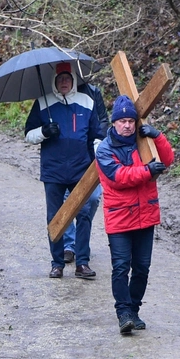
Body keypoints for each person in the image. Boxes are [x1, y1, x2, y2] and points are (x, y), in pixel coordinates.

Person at [95, 95, 174, 334]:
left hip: (145, 215)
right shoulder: (104, 150)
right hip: (119, 218)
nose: (127, 125)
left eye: (131, 121)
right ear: (114, 123)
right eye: (122, 121)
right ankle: (123, 314)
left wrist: (157, 136)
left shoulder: (143, 142)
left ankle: (134, 310)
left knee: (142, 268)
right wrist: (147, 170)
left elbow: (167, 160)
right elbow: (119, 177)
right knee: (121, 266)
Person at [24, 62, 104, 279]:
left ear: (74, 80)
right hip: (53, 170)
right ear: (54, 82)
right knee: (55, 216)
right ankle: (57, 263)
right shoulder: (43, 103)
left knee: (84, 214)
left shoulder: (87, 102)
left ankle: (82, 262)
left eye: (68, 79)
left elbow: (96, 134)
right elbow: (28, 134)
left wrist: (98, 159)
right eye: (60, 80)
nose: (65, 83)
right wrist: (43, 131)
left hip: (81, 169)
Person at [63, 83, 110, 263]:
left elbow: (103, 119)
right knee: (65, 198)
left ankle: (81, 240)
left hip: (89, 155)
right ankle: (69, 244)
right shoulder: (55, 91)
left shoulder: (93, 91)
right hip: (65, 158)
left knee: (91, 199)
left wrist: (98, 140)